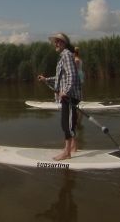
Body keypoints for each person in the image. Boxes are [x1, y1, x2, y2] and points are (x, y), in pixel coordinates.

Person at [37, 33, 82, 161]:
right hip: (69, 95)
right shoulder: (64, 56)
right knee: (70, 121)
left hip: (69, 96)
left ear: (64, 43)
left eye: (58, 42)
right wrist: (46, 79)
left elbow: (72, 75)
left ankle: (67, 152)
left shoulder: (66, 55)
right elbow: (61, 78)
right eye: (55, 42)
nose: (55, 44)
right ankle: (73, 146)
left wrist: (66, 91)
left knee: (65, 124)